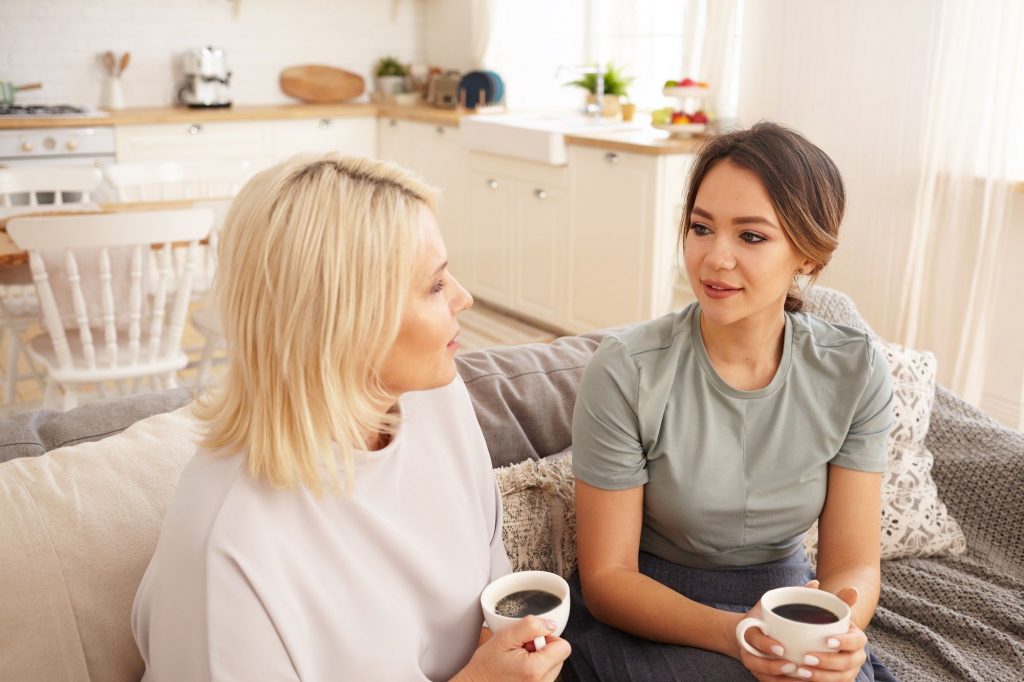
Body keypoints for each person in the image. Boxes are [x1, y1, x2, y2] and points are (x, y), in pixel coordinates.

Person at [131, 154, 570, 682]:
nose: (463, 297)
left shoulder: (435, 398)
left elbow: (490, 606)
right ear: (348, 322)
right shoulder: (230, 554)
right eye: (434, 286)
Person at [564, 122, 896, 682]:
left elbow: (854, 563)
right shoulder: (627, 368)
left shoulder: (855, 369)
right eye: (701, 228)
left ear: (809, 255)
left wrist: (833, 634)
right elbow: (608, 579)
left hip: (783, 596)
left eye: (751, 236)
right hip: (654, 603)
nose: (715, 259)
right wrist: (738, 633)